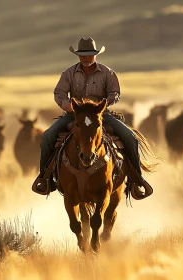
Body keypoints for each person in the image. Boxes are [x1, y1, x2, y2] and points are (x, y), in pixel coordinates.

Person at [34, 37, 153, 200]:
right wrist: (66, 104)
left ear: (95, 55)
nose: (86, 58)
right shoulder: (69, 73)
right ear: (78, 56)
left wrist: (104, 104)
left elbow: (115, 93)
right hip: (74, 115)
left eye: (90, 54)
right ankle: (45, 178)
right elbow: (59, 93)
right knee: (48, 136)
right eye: (83, 55)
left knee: (130, 138)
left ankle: (136, 180)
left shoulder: (107, 72)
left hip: (100, 114)